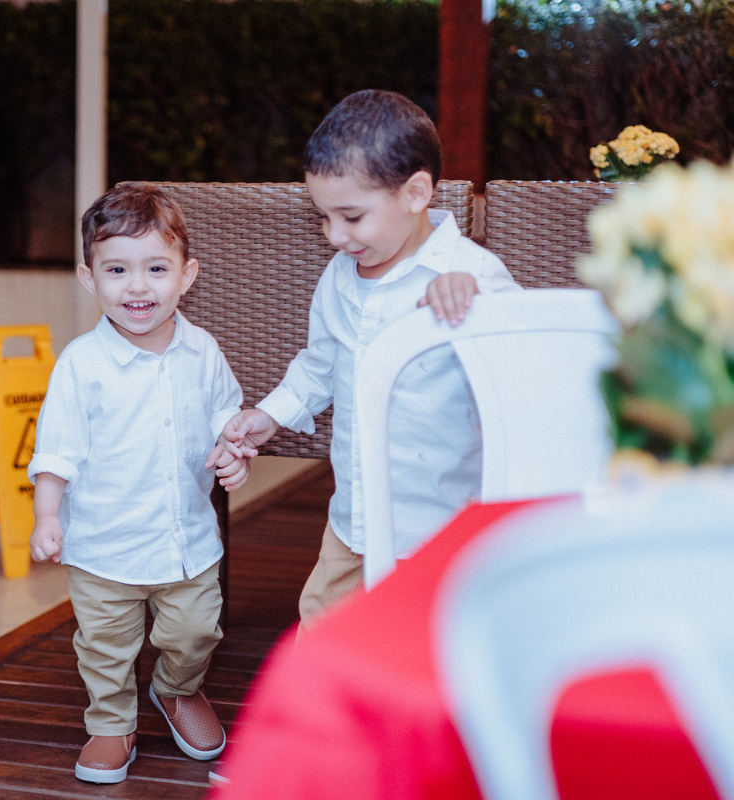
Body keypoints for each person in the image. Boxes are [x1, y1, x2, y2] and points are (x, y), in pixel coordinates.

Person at [211, 89, 519, 631]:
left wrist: (478, 313)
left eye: (351, 216)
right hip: (353, 519)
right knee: (323, 634)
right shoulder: (340, 275)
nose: (334, 235)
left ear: (416, 192)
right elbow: (320, 363)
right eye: (324, 217)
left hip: (438, 525)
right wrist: (272, 413)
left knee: (428, 647)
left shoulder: (473, 278)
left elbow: (521, 381)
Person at [27, 183, 248, 784]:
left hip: (186, 544)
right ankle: (110, 722)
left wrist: (234, 449)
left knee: (197, 628)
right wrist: (49, 516)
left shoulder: (201, 351)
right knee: (105, 645)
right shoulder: (81, 365)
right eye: (117, 269)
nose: (138, 286)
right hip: (103, 547)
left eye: (156, 268)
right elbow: (57, 451)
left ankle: (177, 690)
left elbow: (227, 413)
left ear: (187, 275)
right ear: (88, 277)